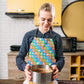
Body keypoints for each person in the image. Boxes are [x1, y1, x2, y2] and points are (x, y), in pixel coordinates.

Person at [16, 2, 65, 84]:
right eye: (43, 19)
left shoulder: (57, 37)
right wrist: (24, 67)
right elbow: (19, 57)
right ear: (38, 17)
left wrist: (58, 66)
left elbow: (61, 59)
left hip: (50, 79)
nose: (46, 23)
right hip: (32, 78)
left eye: (49, 20)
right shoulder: (28, 36)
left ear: (54, 18)